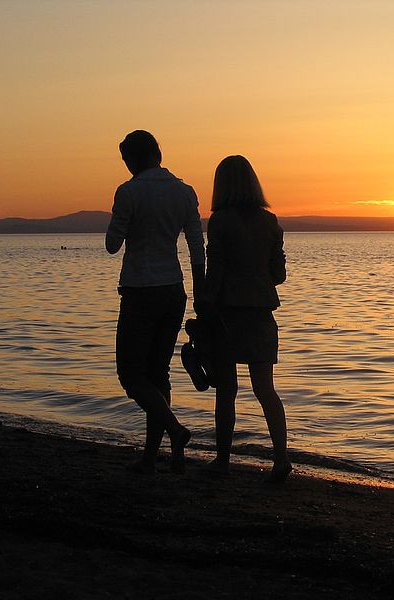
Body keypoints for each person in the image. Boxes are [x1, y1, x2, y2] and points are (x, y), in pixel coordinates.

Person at [106, 130, 205, 474]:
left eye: (126, 160)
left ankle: (176, 432)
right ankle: (154, 456)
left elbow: (112, 244)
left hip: (140, 289)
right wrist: (201, 289)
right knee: (158, 372)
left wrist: (124, 221)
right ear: (157, 153)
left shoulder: (128, 191)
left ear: (134, 158)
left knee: (132, 375)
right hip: (173, 289)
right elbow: (196, 246)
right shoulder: (184, 192)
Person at [201, 155, 291, 482]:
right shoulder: (271, 222)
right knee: (265, 389)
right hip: (262, 311)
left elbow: (216, 272)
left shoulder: (220, 222)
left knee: (226, 389)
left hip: (228, 312)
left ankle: (223, 460)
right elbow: (278, 274)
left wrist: (205, 306)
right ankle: (281, 459)